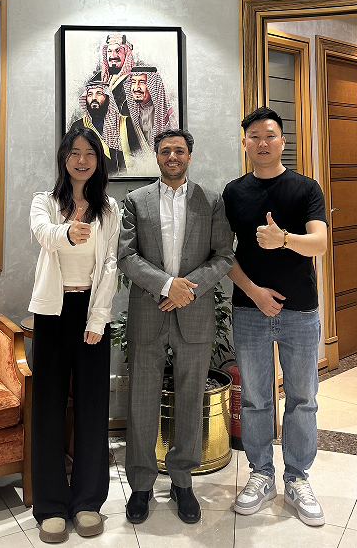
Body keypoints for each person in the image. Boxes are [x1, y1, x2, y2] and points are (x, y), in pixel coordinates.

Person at [118, 129, 234, 525]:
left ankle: (183, 481)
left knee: (190, 398)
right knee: (141, 400)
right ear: (156, 156)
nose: (172, 156)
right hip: (148, 312)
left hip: (194, 312)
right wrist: (168, 285)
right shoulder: (136, 200)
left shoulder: (211, 201)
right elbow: (126, 256)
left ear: (189, 156)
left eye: (179, 151)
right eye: (165, 150)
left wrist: (188, 290)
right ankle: (141, 485)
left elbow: (224, 256)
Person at [223, 106, 328, 527]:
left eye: (270, 135)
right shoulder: (234, 192)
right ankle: (261, 474)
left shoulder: (305, 188)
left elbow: (319, 243)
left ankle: (298, 477)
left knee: (303, 397)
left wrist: (283, 238)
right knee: (255, 397)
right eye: (254, 136)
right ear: (244, 143)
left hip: (300, 310)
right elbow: (223, 255)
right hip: (250, 308)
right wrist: (255, 292)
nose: (262, 142)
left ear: (283, 141)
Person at [28, 127, 120, 543]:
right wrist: (67, 232)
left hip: (90, 311)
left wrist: (98, 320)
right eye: (75, 152)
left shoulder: (109, 208)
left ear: (99, 161)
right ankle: (50, 504)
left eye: (90, 154)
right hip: (52, 311)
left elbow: (110, 264)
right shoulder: (44, 202)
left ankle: (87, 501)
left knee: (92, 406)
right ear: (64, 157)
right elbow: (43, 234)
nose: (82, 160)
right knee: (47, 406)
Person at [124, 66, 176, 153]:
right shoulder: (125, 111)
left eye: (142, 82)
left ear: (153, 85)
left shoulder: (167, 112)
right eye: (133, 82)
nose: (136, 88)